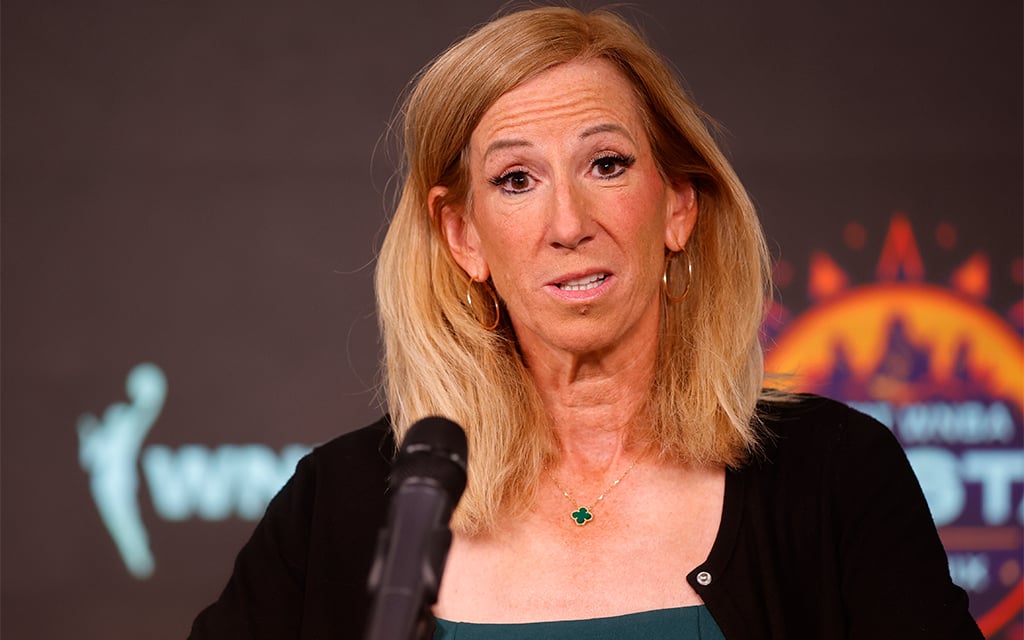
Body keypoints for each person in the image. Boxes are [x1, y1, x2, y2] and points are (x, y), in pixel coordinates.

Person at [189, 6, 982, 639]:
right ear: (464, 236)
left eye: (607, 164)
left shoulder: (832, 476)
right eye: (516, 179)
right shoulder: (344, 504)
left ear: (677, 205)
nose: (568, 222)